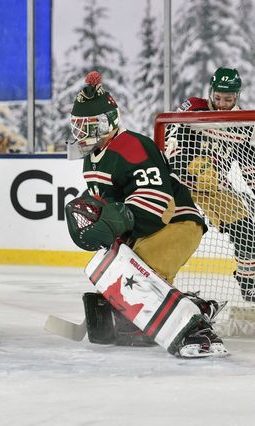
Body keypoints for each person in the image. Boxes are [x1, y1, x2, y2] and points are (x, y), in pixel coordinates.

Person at [64, 71, 226, 357]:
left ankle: (199, 333)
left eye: (87, 127)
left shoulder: (131, 146)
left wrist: (120, 220)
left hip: (176, 222)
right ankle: (196, 306)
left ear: (107, 123)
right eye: (78, 127)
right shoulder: (91, 160)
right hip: (148, 227)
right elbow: (109, 202)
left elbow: (159, 202)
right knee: (123, 271)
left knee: (144, 272)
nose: (80, 135)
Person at [167, 67, 255, 302]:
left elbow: (249, 164)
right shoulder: (194, 107)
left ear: (237, 95)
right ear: (211, 92)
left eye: (228, 99)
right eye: (218, 98)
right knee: (167, 228)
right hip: (181, 183)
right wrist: (190, 168)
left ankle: (249, 285)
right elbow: (169, 141)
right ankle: (154, 279)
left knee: (247, 231)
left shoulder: (244, 122)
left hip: (215, 187)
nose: (223, 104)